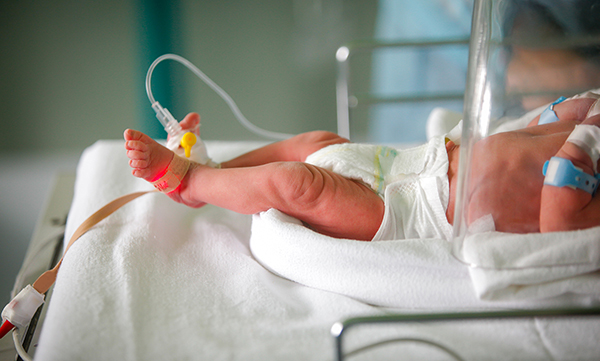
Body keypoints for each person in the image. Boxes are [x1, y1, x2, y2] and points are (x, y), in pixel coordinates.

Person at [124, 94, 600, 241]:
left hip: (415, 213)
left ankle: (192, 182)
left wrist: (586, 139)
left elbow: (561, 219)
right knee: (314, 143)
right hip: (417, 160)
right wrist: (575, 111)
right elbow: (543, 120)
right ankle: (217, 167)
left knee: (299, 185)